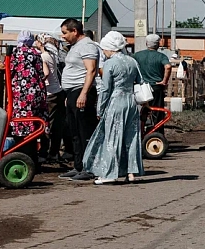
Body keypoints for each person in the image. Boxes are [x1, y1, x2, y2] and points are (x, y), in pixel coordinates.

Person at [81, 31, 144, 185]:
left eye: (104, 49)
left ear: (109, 48)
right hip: (131, 102)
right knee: (132, 137)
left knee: (112, 138)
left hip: (116, 102)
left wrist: (100, 109)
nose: (103, 52)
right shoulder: (132, 61)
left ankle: (110, 173)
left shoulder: (110, 63)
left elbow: (105, 89)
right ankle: (131, 172)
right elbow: (140, 81)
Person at [59, 18, 100, 181]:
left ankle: (89, 167)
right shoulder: (76, 46)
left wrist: (83, 93)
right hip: (72, 93)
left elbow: (91, 71)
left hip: (81, 92)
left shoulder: (87, 46)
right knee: (73, 131)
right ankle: (78, 165)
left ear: (74, 31)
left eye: (65, 33)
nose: (63, 36)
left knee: (84, 131)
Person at [7, 30, 49, 160]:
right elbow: (42, 73)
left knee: (22, 123)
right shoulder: (36, 53)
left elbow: (10, 69)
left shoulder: (16, 53)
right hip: (37, 92)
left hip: (22, 94)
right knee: (34, 123)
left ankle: (24, 156)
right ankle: (34, 156)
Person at [132, 33, 171, 132]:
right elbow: (168, 66)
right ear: (158, 44)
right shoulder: (161, 56)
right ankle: (157, 133)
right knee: (157, 112)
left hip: (141, 87)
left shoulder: (137, 55)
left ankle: (140, 131)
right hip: (156, 87)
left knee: (141, 110)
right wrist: (164, 81)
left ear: (146, 43)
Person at [35, 33, 65, 162]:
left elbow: (46, 72)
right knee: (56, 124)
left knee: (47, 125)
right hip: (57, 92)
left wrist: (38, 82)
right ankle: (54, 152)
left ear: (41, 43)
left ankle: (44, 153)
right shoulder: (52, 56)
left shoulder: (43, 56)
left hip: (49, 94)